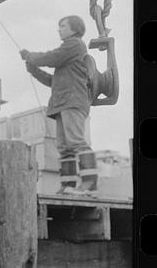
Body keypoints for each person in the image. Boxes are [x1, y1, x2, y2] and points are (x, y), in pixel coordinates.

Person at [20, 15, 99, 192]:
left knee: (76, 142)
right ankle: (68, 185)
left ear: (74, 29)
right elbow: (52, 80)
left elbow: (52, 57)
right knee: (65, 147)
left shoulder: (75, 44)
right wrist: (33, 69)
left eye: (63, 26)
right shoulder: (69, 55)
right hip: (65, 103)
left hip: (71, 102)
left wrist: (30, 57)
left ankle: (90, 185)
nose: (59, 29)